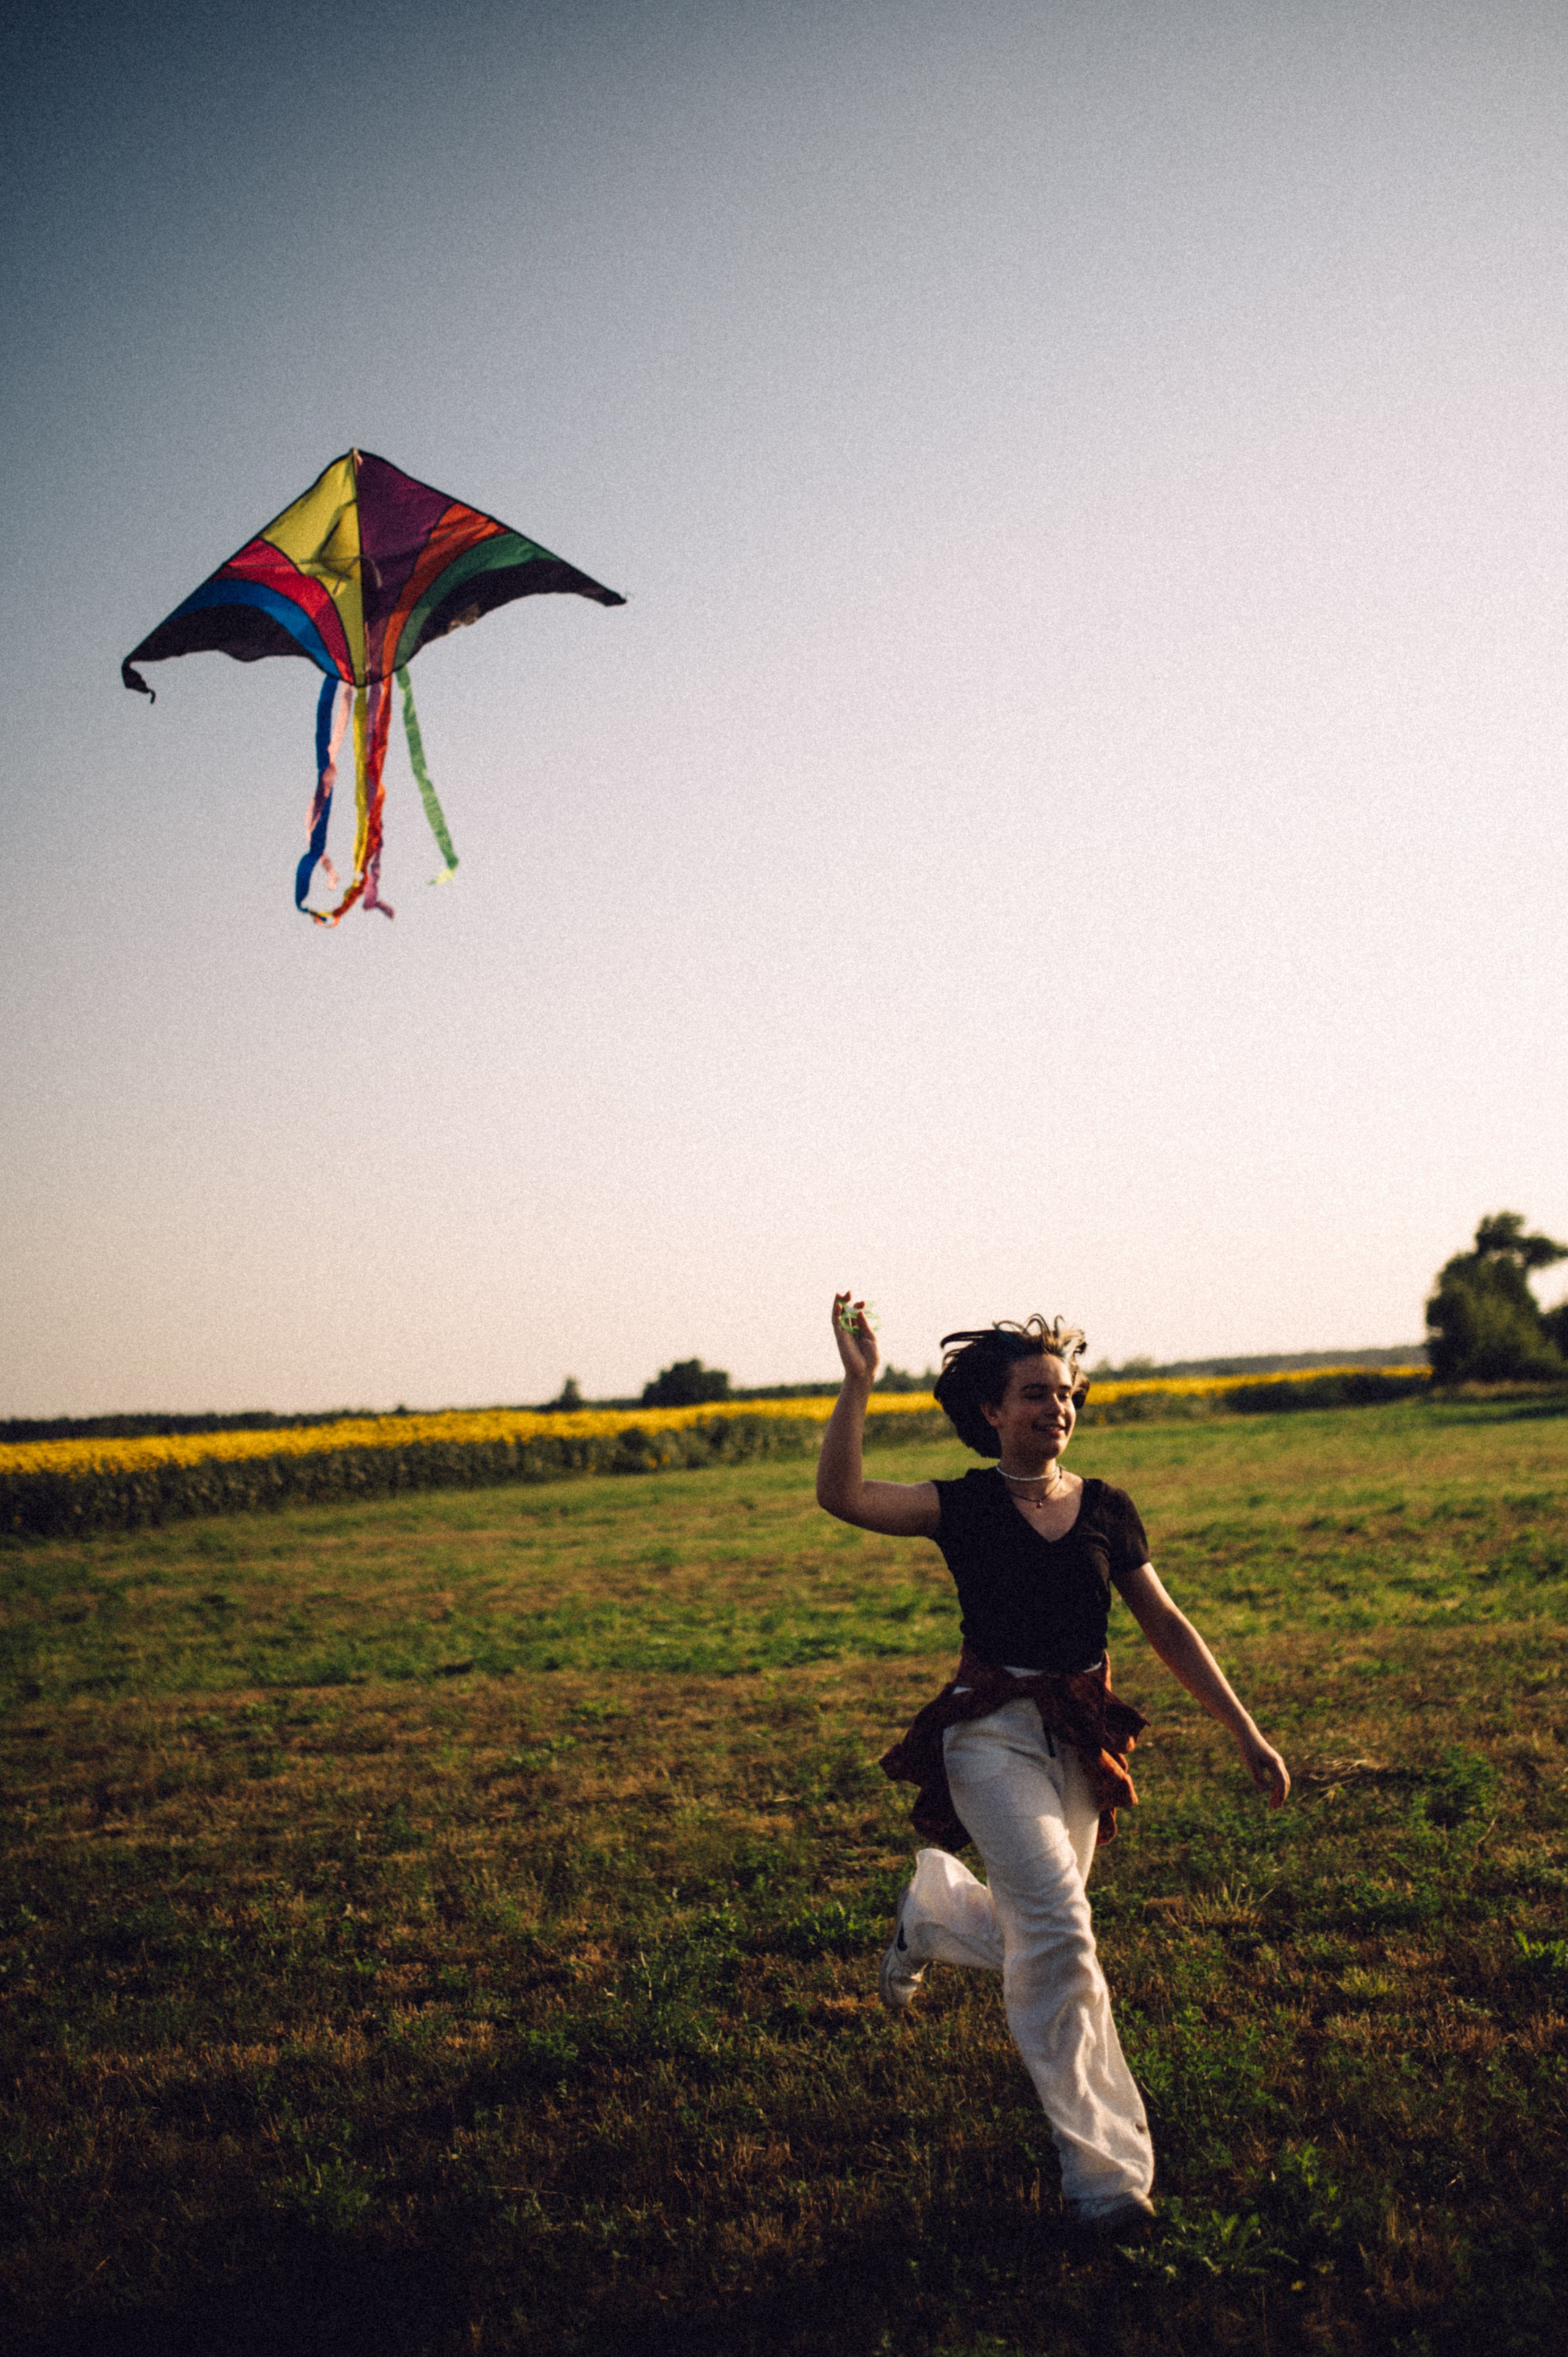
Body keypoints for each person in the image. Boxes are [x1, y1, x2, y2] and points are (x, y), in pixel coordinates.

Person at [816, 1294, 1290, 2244]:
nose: (1057, 1409)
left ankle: (938, 1914)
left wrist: (1245, 1731)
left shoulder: (1106, 1507)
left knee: (1040, 1930)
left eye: (1065, 1394)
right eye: (1035, 1395)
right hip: (989, 1734)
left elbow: (1166, 1626)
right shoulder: (965, 1504)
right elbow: (845, 1497)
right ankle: (1105, 2176)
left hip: (1078, 1738)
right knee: (1064, 1932)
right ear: (992, 1411)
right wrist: (859, 1386)